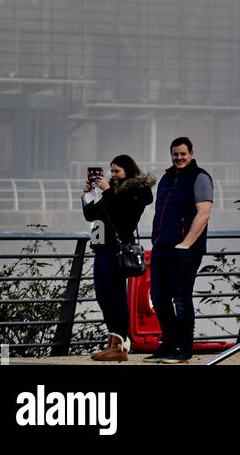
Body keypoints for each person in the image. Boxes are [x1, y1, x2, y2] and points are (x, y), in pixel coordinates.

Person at [81, 154, 155, 362]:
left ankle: (121, 344)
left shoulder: (136, 192)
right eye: (111, 171)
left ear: (127, 171)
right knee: (102, 295)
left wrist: (106, 191)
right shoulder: (111, 191)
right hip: (101, 248)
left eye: (116, 171)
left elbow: (123, 218)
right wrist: (88, 194)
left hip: (117, 249)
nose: (112, 175)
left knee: (116, 296)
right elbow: (92, 216)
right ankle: (112, 341)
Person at [147, 137, 213, 363]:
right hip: (161, 247)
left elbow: (203, 213)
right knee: (158, 297)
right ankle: (168, 345)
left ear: (192, 153)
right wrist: (156, 240)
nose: (179, 158)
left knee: (182, 299)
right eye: (175, 154)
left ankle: (183, 350)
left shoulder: (200, 177)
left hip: (185, 250)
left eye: (183, 154)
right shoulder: (166, 178)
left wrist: (185, 244)